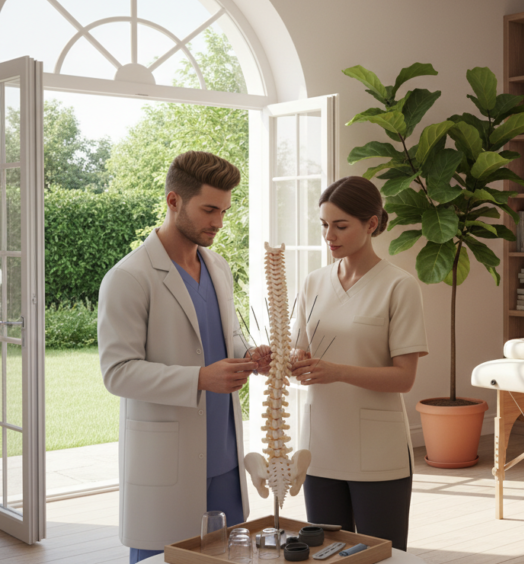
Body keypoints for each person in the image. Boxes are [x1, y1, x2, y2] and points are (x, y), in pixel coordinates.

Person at [98, 151, 270, 563]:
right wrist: (199, 379)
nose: (219, 222)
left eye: (225, 210)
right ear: (174, 201)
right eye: (209, 209)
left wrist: (250, 355)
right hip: (166, 462)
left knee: (225, 556)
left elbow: (228, 335)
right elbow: (117, 373)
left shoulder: (218, 267)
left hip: (224, 455)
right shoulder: (128, 277)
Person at [289, 176, 428, 551]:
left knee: (381, 555)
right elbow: (298, 351)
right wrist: (285, 361)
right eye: (324, 225)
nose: (328, 235)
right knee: (324, 553)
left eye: (340, 225)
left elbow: (404, 377)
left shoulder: (399, 287)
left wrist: (336, 372)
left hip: (378, 452)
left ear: (370, 224)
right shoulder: (312, 283)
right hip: (319, 447)